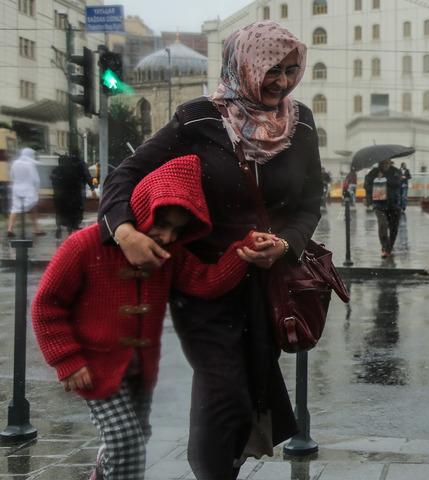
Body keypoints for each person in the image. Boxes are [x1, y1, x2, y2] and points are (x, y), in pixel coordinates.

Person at [97, 21, 322, 479]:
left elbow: (309, 202)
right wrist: (125, 232)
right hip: (203, 285)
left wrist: (284, 245)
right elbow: (122, 176)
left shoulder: (301, 125)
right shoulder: (198, 118)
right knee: (226, 394)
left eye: (291, 71)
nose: (281, 83)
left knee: (251, 397)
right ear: (244, 66)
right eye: (271, 71)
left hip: (266, 288)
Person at [32, 155, 259, 480]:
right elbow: (46, 305)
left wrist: (244, 251)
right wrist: (67, 360)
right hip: (94, 369)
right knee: (127, 444)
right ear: (141, 208)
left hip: (139, 371)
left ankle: (103, 470)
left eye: (176, 230)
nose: (166, 236)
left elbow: (205, 282)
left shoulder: (170, 256)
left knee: (134, 437)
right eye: (161, 224)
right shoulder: (84, 245)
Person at [364, 158, 402, 257]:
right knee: (383, 225)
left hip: (394, 205)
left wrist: (384, 178)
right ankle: (385, 247)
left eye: (386, 163)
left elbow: (398, 183)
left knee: (394, 228)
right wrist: (375, 180)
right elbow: (367, 185)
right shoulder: (374, 172)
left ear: (390, 162)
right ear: (379, 163)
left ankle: (389, 248)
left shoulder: (396, 171)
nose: (384, 165)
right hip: (379, 205)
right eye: (382, 163)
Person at [51, 152, 94, 237]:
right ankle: (71, 228)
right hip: (71, 195)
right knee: (71, 212)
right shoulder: (74, 168)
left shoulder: (56, 170)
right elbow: (84, 177)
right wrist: (91, 187)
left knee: (60, 212)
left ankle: (59, 227)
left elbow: (54, 182)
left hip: (59, 195)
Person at [7, 147, 45, 237]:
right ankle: (36, 229)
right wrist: (37, 189)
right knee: (33, 207)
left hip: (16, 189)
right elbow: (35, 179)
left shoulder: (15, 163)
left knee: (15, 208)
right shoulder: (30, 164)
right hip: (28, 189)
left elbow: (12, 175)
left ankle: (10, 228)